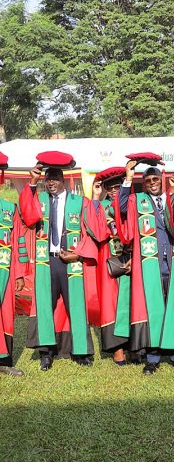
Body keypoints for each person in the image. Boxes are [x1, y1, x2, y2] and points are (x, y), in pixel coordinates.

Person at [19, 158, 104, 370]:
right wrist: (32, 182)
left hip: (71, 261)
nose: (51, 183)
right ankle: (46, 353)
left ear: (63, 180)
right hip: (46, 260)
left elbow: (93, 231)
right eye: (48, 179)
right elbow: (28, 216)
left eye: (55, 179)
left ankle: (81, 352)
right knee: (45, 306)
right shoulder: (39, 200)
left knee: (76, 305)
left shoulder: (79, 202)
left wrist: (79, 254)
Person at [115, 161, 174, 374]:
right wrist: (128, 177)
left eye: (155, 179)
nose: (152, 183)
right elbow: (121, 208)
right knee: (153, 309)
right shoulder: (137, 200)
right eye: (148, 180)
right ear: (144, 183)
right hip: (150, 263)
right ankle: (152, 358)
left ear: (162, 181)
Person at [91, 168, 131, 365]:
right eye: (111, 188)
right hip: (109, 257)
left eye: (118, 187)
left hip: (132, 257)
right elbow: (94, 229)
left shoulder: (131, 204)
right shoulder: (100, 206)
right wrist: (95, 197)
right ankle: (117, 348)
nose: (114, 191)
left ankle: (135, 346)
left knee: (132, 301)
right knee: (112, 303)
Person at [0, 174, 28, 376]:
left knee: (5, 315)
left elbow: (18, 241)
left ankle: (3, 361)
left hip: (5, 270)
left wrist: (19, 274)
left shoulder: (10, 208)